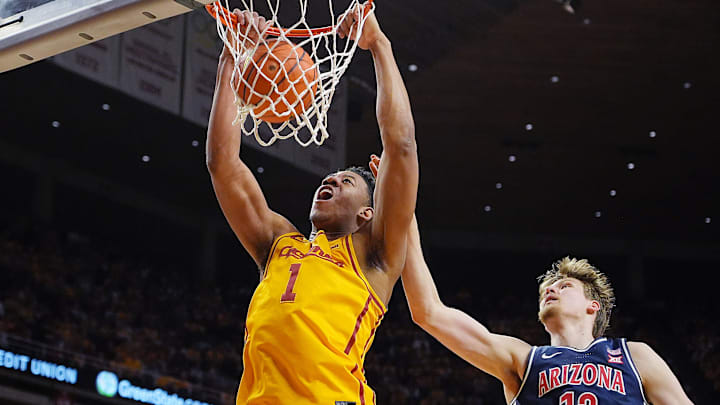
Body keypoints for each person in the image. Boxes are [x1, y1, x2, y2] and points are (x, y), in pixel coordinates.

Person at [205, 4, 418, 405]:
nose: (330, 179)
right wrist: (231, 58)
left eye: (347, 181)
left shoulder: (374, 258)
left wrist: (378, 46)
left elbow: (401, 145)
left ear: (366, 214)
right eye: (330, 177)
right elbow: (223, 165)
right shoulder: (279, 245)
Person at [367, 155, 693, 405]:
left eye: (564, 286)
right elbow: (429, 312)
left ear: (593, 306)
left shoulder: (634, 356)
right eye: (546, 289)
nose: (550, 289)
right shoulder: (522, 358)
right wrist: (401, 209)